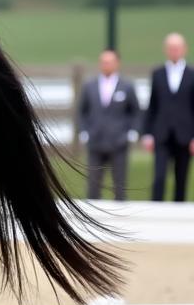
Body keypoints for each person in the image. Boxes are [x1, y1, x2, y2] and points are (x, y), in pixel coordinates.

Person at [77, 49, 140, 201]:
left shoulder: (127, 86)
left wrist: (132, 131)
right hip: (95, 140)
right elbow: (81, 111)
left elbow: (136, 111)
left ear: (117, 63)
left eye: (109, 62)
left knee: (119, 183)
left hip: (118, 140)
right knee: (93, 183)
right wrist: (84, 131)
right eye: (103, 62)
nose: (106, 65)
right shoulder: (89, 85)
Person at [141, 32, 194, 201]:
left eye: (177, 48)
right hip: (162, 133)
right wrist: (147, 134)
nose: (174, 51)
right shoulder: (158, 74)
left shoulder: (192, 74)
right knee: (159, 177)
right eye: (171, 48)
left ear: (184, 49)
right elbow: (152, 105)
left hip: (185, 134)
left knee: (181, 180)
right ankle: (155, 212)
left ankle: (178, 218)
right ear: (166, 50)